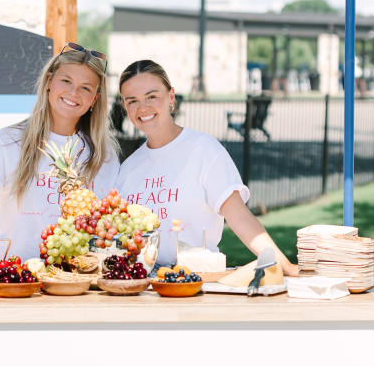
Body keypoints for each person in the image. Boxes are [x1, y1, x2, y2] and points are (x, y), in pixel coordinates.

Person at [0, 44, 119, 260]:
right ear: (49, 82)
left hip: (83, 281)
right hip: (18, 281)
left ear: (95, 99)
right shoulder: (6, 143)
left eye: (86, 88)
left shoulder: (105, 156)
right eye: (66, 81)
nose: (73, 92)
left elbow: (110, 225)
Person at [117, 59, 297, 274]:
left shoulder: (204, 150)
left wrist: (285, 266)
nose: (143, 107)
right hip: (143, 286)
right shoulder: (128, 168)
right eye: (132, 101)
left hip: (197, 282)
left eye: (152, 96)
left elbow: (239, 217)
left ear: (171, 97)